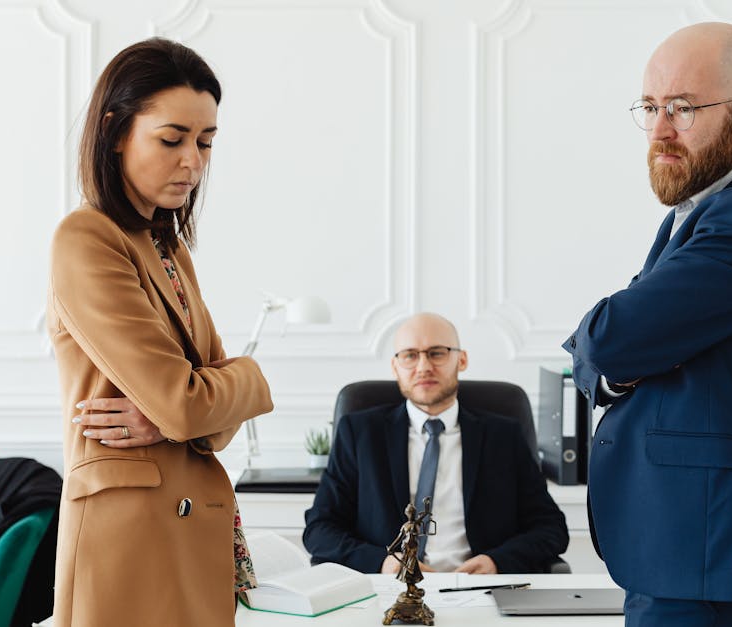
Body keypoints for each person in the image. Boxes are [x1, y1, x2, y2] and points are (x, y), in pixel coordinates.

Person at [562, 22, 732, 627]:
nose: (660, 130)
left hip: (712, 555)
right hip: (689, 550)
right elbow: (623, 340)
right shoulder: (703, 207)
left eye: (682, 108)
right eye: (651, 107)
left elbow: (607, 338)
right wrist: (624, 354)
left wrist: (617, 358)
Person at [48, 38, 274, 627]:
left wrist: (195, 407)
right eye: (172, 140)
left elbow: (200, 418)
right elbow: (186, 404)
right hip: (131, 537)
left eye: (205, 143)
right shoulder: (87, 238)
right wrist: (237, 384)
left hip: (182, 523)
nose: (193, 162)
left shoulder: (168, 246)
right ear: (116, 130)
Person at [304, 313, 568, 574]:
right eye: (410, 355)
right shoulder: (360, 433)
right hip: (389, 591)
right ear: (395, 367)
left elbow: (550, 528)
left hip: (480, 589)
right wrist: (384, 563)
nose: (423, 367)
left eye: (437, 353)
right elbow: (320, 530)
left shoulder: (504, 435)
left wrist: (497, 562)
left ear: (461, 360)